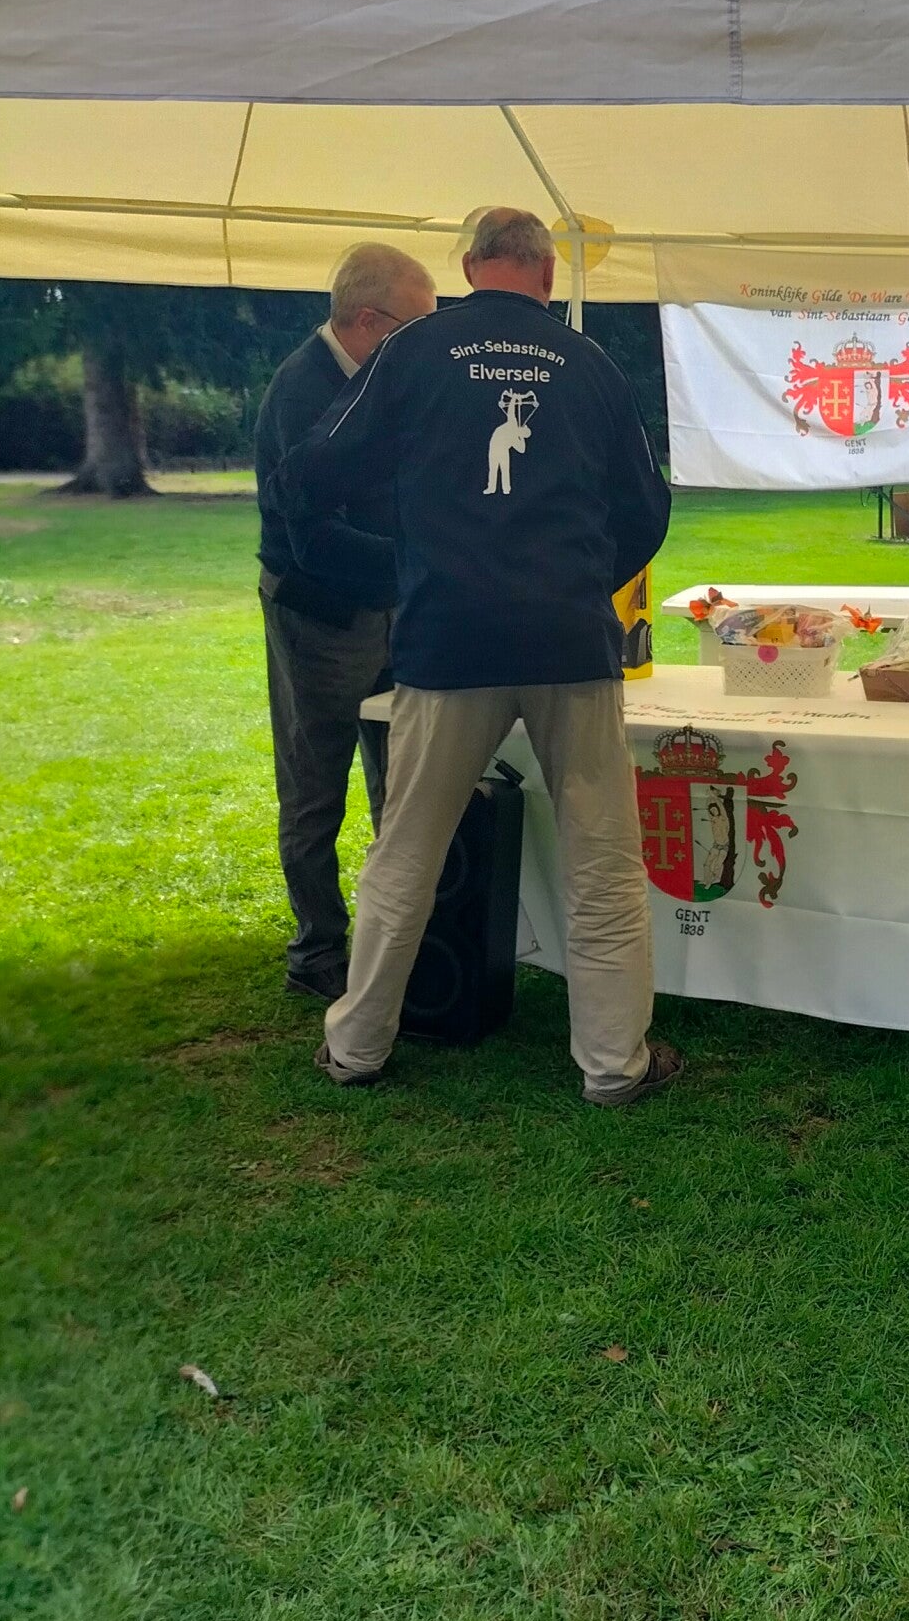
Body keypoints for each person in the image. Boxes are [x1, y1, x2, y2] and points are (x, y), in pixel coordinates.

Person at [279, 206, 677, 1104]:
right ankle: (614, 1064)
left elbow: (316, 470)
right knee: (603, 859)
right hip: (569, 639)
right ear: (547, 275)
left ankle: (357, 1047)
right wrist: (583, 578)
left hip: (447, 637)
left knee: (407, 851)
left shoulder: (412, 352)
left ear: (468, 267)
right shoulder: (592, 363)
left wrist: (410, 556)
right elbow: (647, 509)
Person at [253, 242, 437, 1001]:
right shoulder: (303, 391)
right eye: (415, 330)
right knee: (315, 785)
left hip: (391, 606)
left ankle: (398, 939)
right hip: (320, 614)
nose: (425, 347)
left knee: (402, 785)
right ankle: (318, 950)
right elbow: (312, 539)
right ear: (367, 321)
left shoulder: (378, 382)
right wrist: (418, 562)